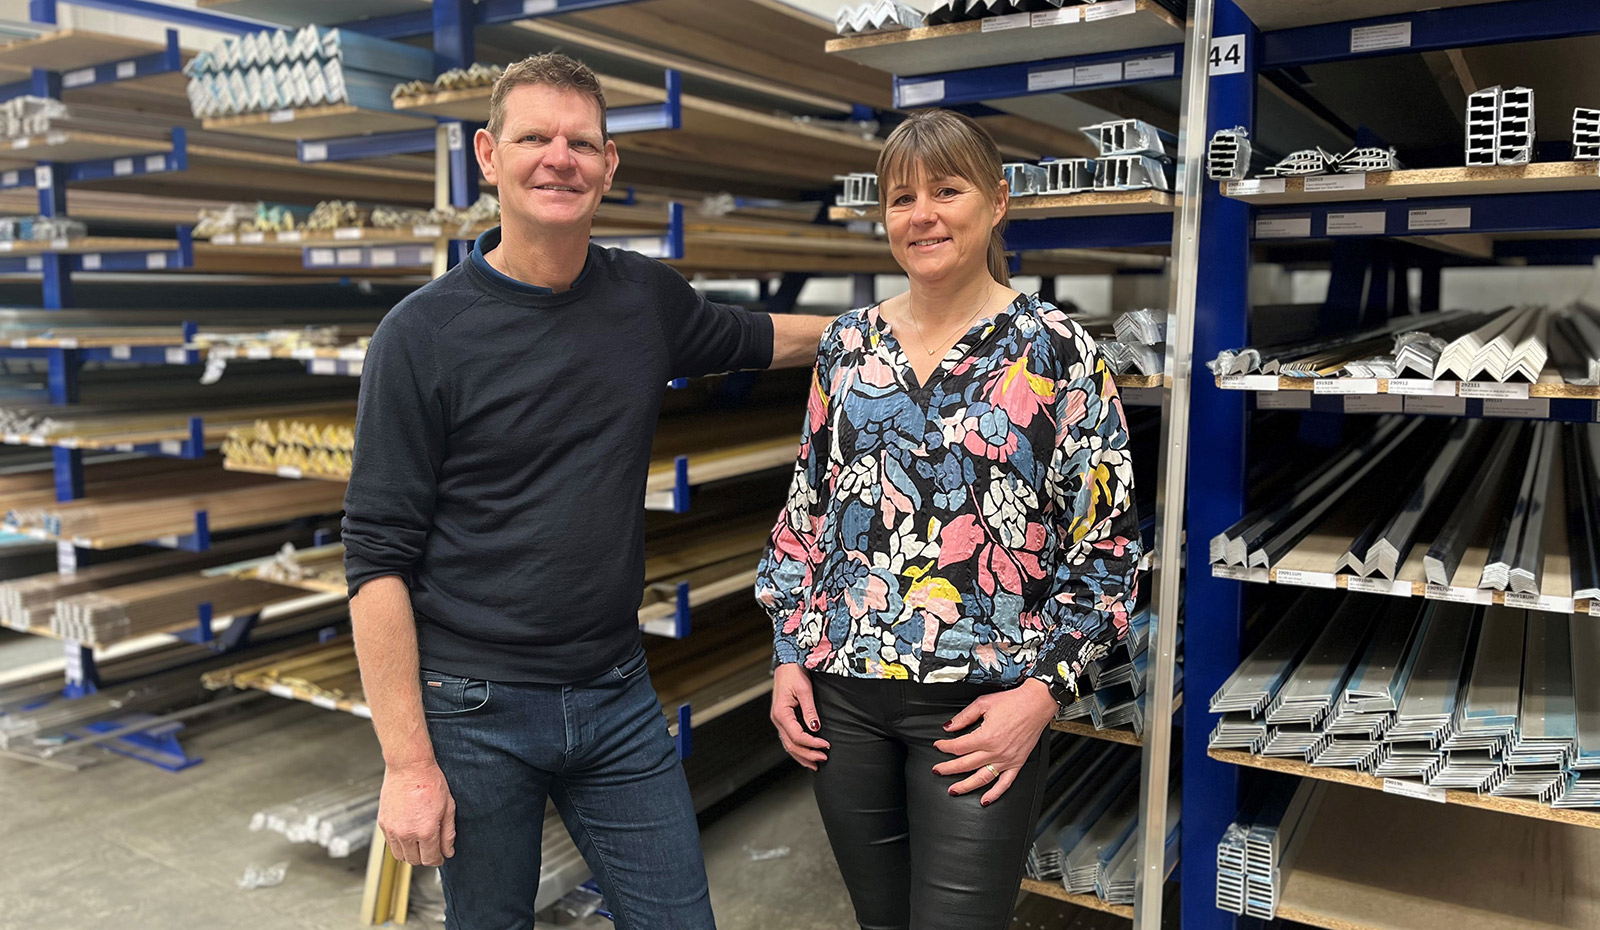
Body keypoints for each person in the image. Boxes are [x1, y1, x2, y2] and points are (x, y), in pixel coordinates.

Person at [342, 53, 831, 930]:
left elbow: (764, 338)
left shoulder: (642, 297)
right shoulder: (420, 337)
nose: (558, 159)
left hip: (615, 695)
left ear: (611, 166)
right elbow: (376, 557)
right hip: (473, 710)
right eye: (534, 138)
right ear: (489, 155)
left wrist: (914, 325)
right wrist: (408, 765)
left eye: (581, 142)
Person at [755, 108, 1142, 930]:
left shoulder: (1057, 350)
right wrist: (790, 653)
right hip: (842, 700)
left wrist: (1044, 692)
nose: (921, 213)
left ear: (997, 202)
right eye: (901, 198)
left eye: (947, 189)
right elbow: (807, 509)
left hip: (979, 707)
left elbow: (1107, 555)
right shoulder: (849, 346)